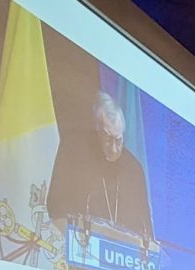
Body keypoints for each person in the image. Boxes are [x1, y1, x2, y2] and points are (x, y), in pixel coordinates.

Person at [46, 91, 153, 247]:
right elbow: (56, 205)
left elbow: (145, 225)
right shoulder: (73, 153)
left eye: (119, 140)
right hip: (81, 249)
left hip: (125, 261)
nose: (115, 148)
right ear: (97, 129)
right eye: (109, 139)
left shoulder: (134, 169)